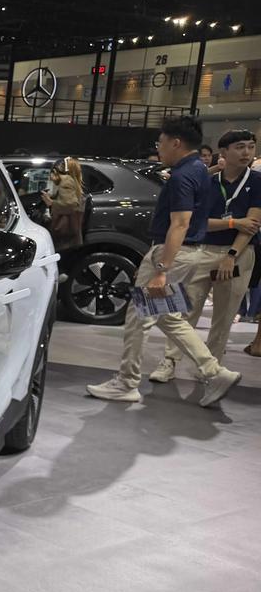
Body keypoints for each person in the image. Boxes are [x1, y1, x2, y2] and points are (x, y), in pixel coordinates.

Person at [87, 115, 242, 406]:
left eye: (161, 142)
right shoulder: (199, 170)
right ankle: (214, 371)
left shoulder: (184, 176)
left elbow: (180, 224)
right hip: (188, 253)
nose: (158, 148)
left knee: (138, 318)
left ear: (176, 143)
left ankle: (126, 382)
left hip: (172, 254)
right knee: (169, 318)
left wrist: (161, 269)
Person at [151, 129, 260, 379]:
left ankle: (211, 370)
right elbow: (194, 222)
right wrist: (233, 223)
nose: (246, 152)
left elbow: (252, 225)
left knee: (224, 316)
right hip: (200, 250)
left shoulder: (256, 182)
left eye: (250, 147)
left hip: (238, 254)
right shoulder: (206, 181)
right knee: (182, 310)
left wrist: (231, 255)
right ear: (224, 152)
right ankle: (169, 361)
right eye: (240, 147)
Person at [41, 157, 85, 251]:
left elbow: (70, 205)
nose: (50, 176)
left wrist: (51, 203)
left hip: (64, 234)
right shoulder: (71, 180)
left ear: (55, 171)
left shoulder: (66, 181)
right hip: (70, 234)